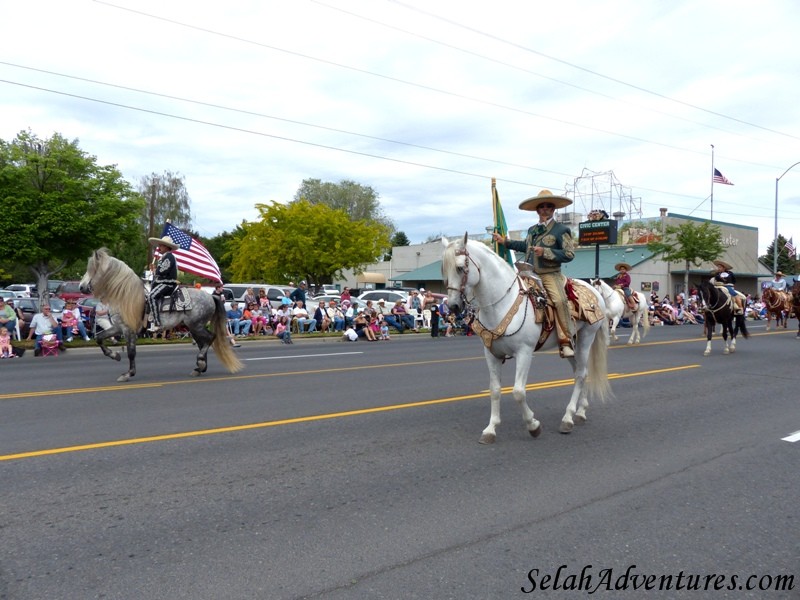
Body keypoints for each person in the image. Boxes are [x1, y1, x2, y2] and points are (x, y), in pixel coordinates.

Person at [493, 189, 576, 358]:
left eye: (549, 206)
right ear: (537, 210)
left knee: (560, 301)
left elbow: (569, 254)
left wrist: (545, 252)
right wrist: (505, 242)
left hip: (550, 274)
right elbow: (525, 246)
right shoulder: (532, 230)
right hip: (529, 274)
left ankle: (566, 340)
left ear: (554, 209)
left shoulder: (561, 230)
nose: (546, 209)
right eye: (542, 206)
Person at [147, 235, 180, 330]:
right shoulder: (164, 257)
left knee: (151, 296)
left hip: (168, 284)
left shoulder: (169, 256)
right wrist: (154, 270)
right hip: (161, 283)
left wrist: (155, 269)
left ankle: (157, 322)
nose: (159, 247)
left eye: (161, 245)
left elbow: (162, 271)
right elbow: (159, 273)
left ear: (166, 247)